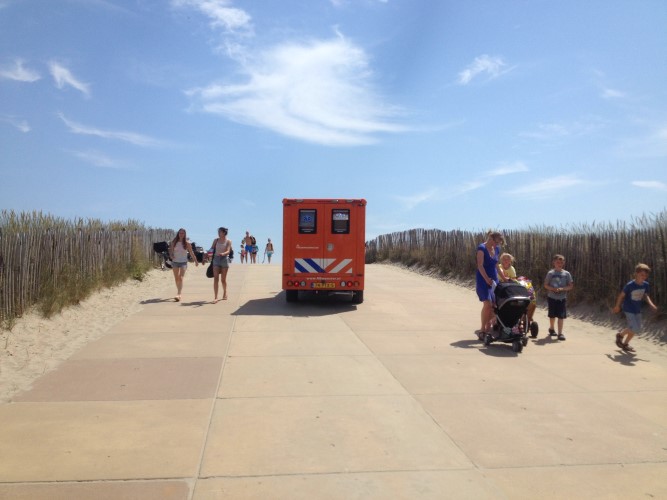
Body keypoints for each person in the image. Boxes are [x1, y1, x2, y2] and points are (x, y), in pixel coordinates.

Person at [612, 263, 658, 352]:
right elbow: (621, 296)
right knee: (635, 328)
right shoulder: (630, 285)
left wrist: (651, 304)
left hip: (637, 309)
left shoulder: (645, 285)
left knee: (637, 329)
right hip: (628, 309)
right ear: (636, 273)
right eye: (642, 275)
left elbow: (646, 296)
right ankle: (620, 335)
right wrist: (617, 306)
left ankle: (625, 344)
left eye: (645, 275)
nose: (644, 277)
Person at [475, 230, 504, 338]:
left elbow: (496, 265)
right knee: (487, 304)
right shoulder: (481, 248)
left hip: (494, 280)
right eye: (496, 242)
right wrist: (486, 278)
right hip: (483, 279)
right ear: (490, 238)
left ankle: (489, 327)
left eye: (498, 243)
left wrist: (504, 278)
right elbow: (480, 265)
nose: (496, 245)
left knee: (494, 305)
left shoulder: (496, 249)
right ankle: (482, 329)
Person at [543, 254, 574, 340]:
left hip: (562, 298)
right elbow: (545, 285)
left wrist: (563, 289)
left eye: (561, 262)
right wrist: (552, 289)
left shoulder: (566, 274)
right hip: (552, 297)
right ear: (554, 263)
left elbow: (570, 286)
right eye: (557, 262)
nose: (559, 264)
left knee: (561, 316)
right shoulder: (550, 273)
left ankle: (560, 333)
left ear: (563, 263)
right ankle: (552, 328)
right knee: (552, 315)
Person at [168, 228, 199, 302]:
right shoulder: (174, 242)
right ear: (178, 234)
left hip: (183, 262)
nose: (181, 234)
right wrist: (171, 255)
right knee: (176, 278)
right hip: (175, 262)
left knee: (180, 277)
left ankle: (179, 294)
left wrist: (195, 261)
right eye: (180, 233)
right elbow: (171, 251)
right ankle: (178, 292)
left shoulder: (187, 243)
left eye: (182, 233)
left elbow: (191, 253)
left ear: (185, 234)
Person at [210, 227, 232, 303]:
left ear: (224, 232)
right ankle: (215, 297)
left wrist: (223, 253)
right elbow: (212, 249)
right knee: (216, 278)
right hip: (216, 259)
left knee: (223, 280)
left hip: (224, 259)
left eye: (220, 232)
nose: (218, 233)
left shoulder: (228, 241)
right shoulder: (216, 240)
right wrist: (207, 255)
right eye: (218, 232)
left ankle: (225, 292)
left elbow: (228, 251)